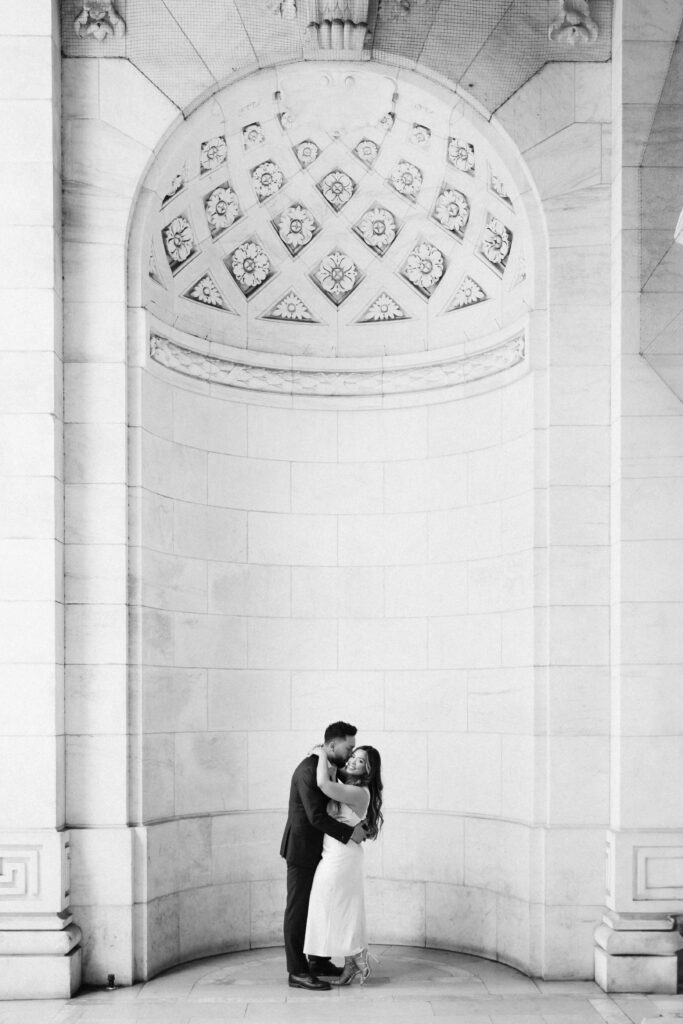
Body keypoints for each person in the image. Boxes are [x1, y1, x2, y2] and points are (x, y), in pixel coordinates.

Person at [280, 721, 366, 991]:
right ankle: (297, 971)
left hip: (321, 851)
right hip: (302, 850)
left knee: (319, 905)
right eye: (348, 748)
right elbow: (316, 817)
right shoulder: (308, 770)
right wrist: (350, 833)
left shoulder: (329, 767)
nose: (351, 754)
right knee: (298, 910)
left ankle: (318, 961)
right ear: (331, 746)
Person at [304, 742, 384, 986]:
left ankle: (355, 957)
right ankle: (353, 960)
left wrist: (319, 753)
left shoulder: (361, 793)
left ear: (368, 771)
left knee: (335, 905)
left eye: (360, 761)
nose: (352, 761)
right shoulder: (348, 786)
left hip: (343, 857)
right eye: (354, 757)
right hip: (335, 853)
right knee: (333, 905)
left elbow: (323, 784)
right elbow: (330, 781)